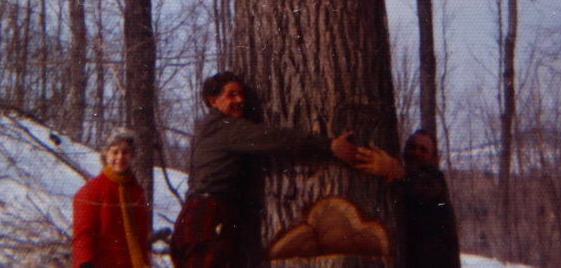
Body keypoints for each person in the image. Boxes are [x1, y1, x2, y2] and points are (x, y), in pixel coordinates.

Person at [169, 71, 359, 268]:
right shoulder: (226, 127)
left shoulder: (207, 128)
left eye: (241, 94)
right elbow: (275, 138)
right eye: (231, 95)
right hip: (207, 215)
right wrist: (328, 145)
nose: (240, 100)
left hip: (195, 216)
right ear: (213, 100)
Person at [357, 129, 461, 268]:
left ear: (433, 158)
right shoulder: (404, 185)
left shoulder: (435, 179)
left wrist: (393, 170)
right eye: (412, 147)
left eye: (423, 150)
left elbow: (427, 186)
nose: (416, 152)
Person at [72, 128, 150, 268]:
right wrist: (84, 263)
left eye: (125, 152)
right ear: (106, 155)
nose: (120, 157)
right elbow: (82, 236)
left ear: (132, 155)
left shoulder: (136, 192)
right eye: (115, 152)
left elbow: (141, 238)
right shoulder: (92, 190)